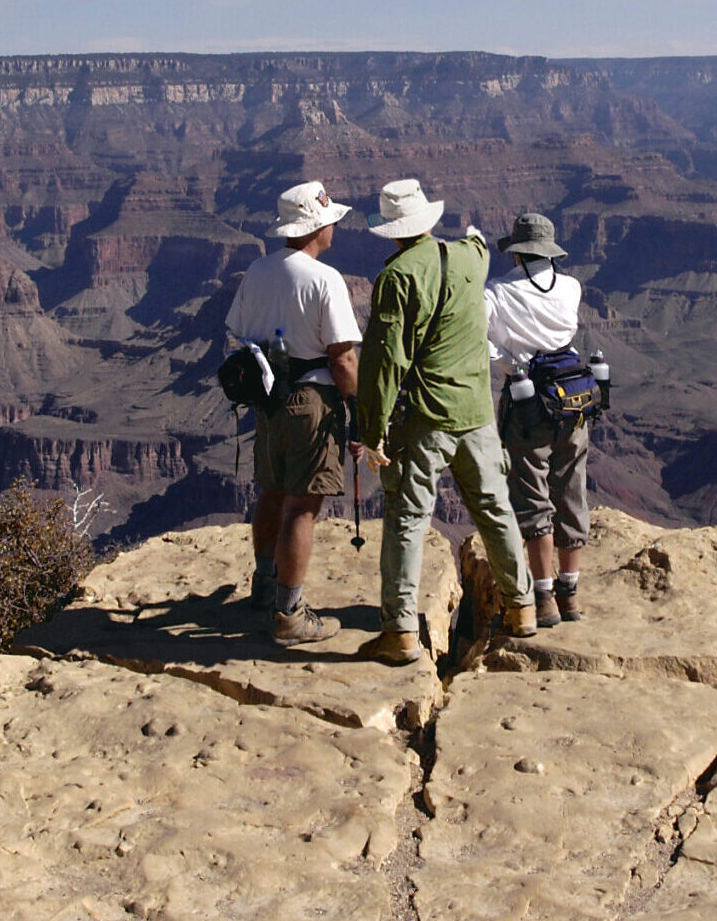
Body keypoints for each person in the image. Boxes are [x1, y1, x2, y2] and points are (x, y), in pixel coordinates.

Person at [354, 177, 536, 665]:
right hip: (477, 414)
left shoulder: (396, 277)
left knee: (408, 518)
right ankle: (522, 609)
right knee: (495, 509)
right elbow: (478, 240)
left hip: (426, 419)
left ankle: (399, 633)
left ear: (392, 231)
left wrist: (372, 432)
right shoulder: (470, 258)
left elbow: (385, 360)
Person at [225, 180, 363, 645]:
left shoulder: (257, 272)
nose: (334, 229)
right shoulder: (324, 279)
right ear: (316, 227)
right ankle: (290, 614)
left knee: (272, 492)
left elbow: (237, 334)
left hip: (267, 401)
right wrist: (358, 409)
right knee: (303, 505)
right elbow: (343, 358)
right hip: (311, 403)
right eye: (330, 222)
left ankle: (263, 588)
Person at [485, 212, 589, 626]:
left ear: (516, 252)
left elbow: (483, 342)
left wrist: (509, 360)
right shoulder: (571, 286)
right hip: (574, 400)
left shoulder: (496, 293)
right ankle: (571, 594)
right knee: (571, 488)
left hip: (528, 405)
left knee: (532, 494)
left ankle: (543, 597)